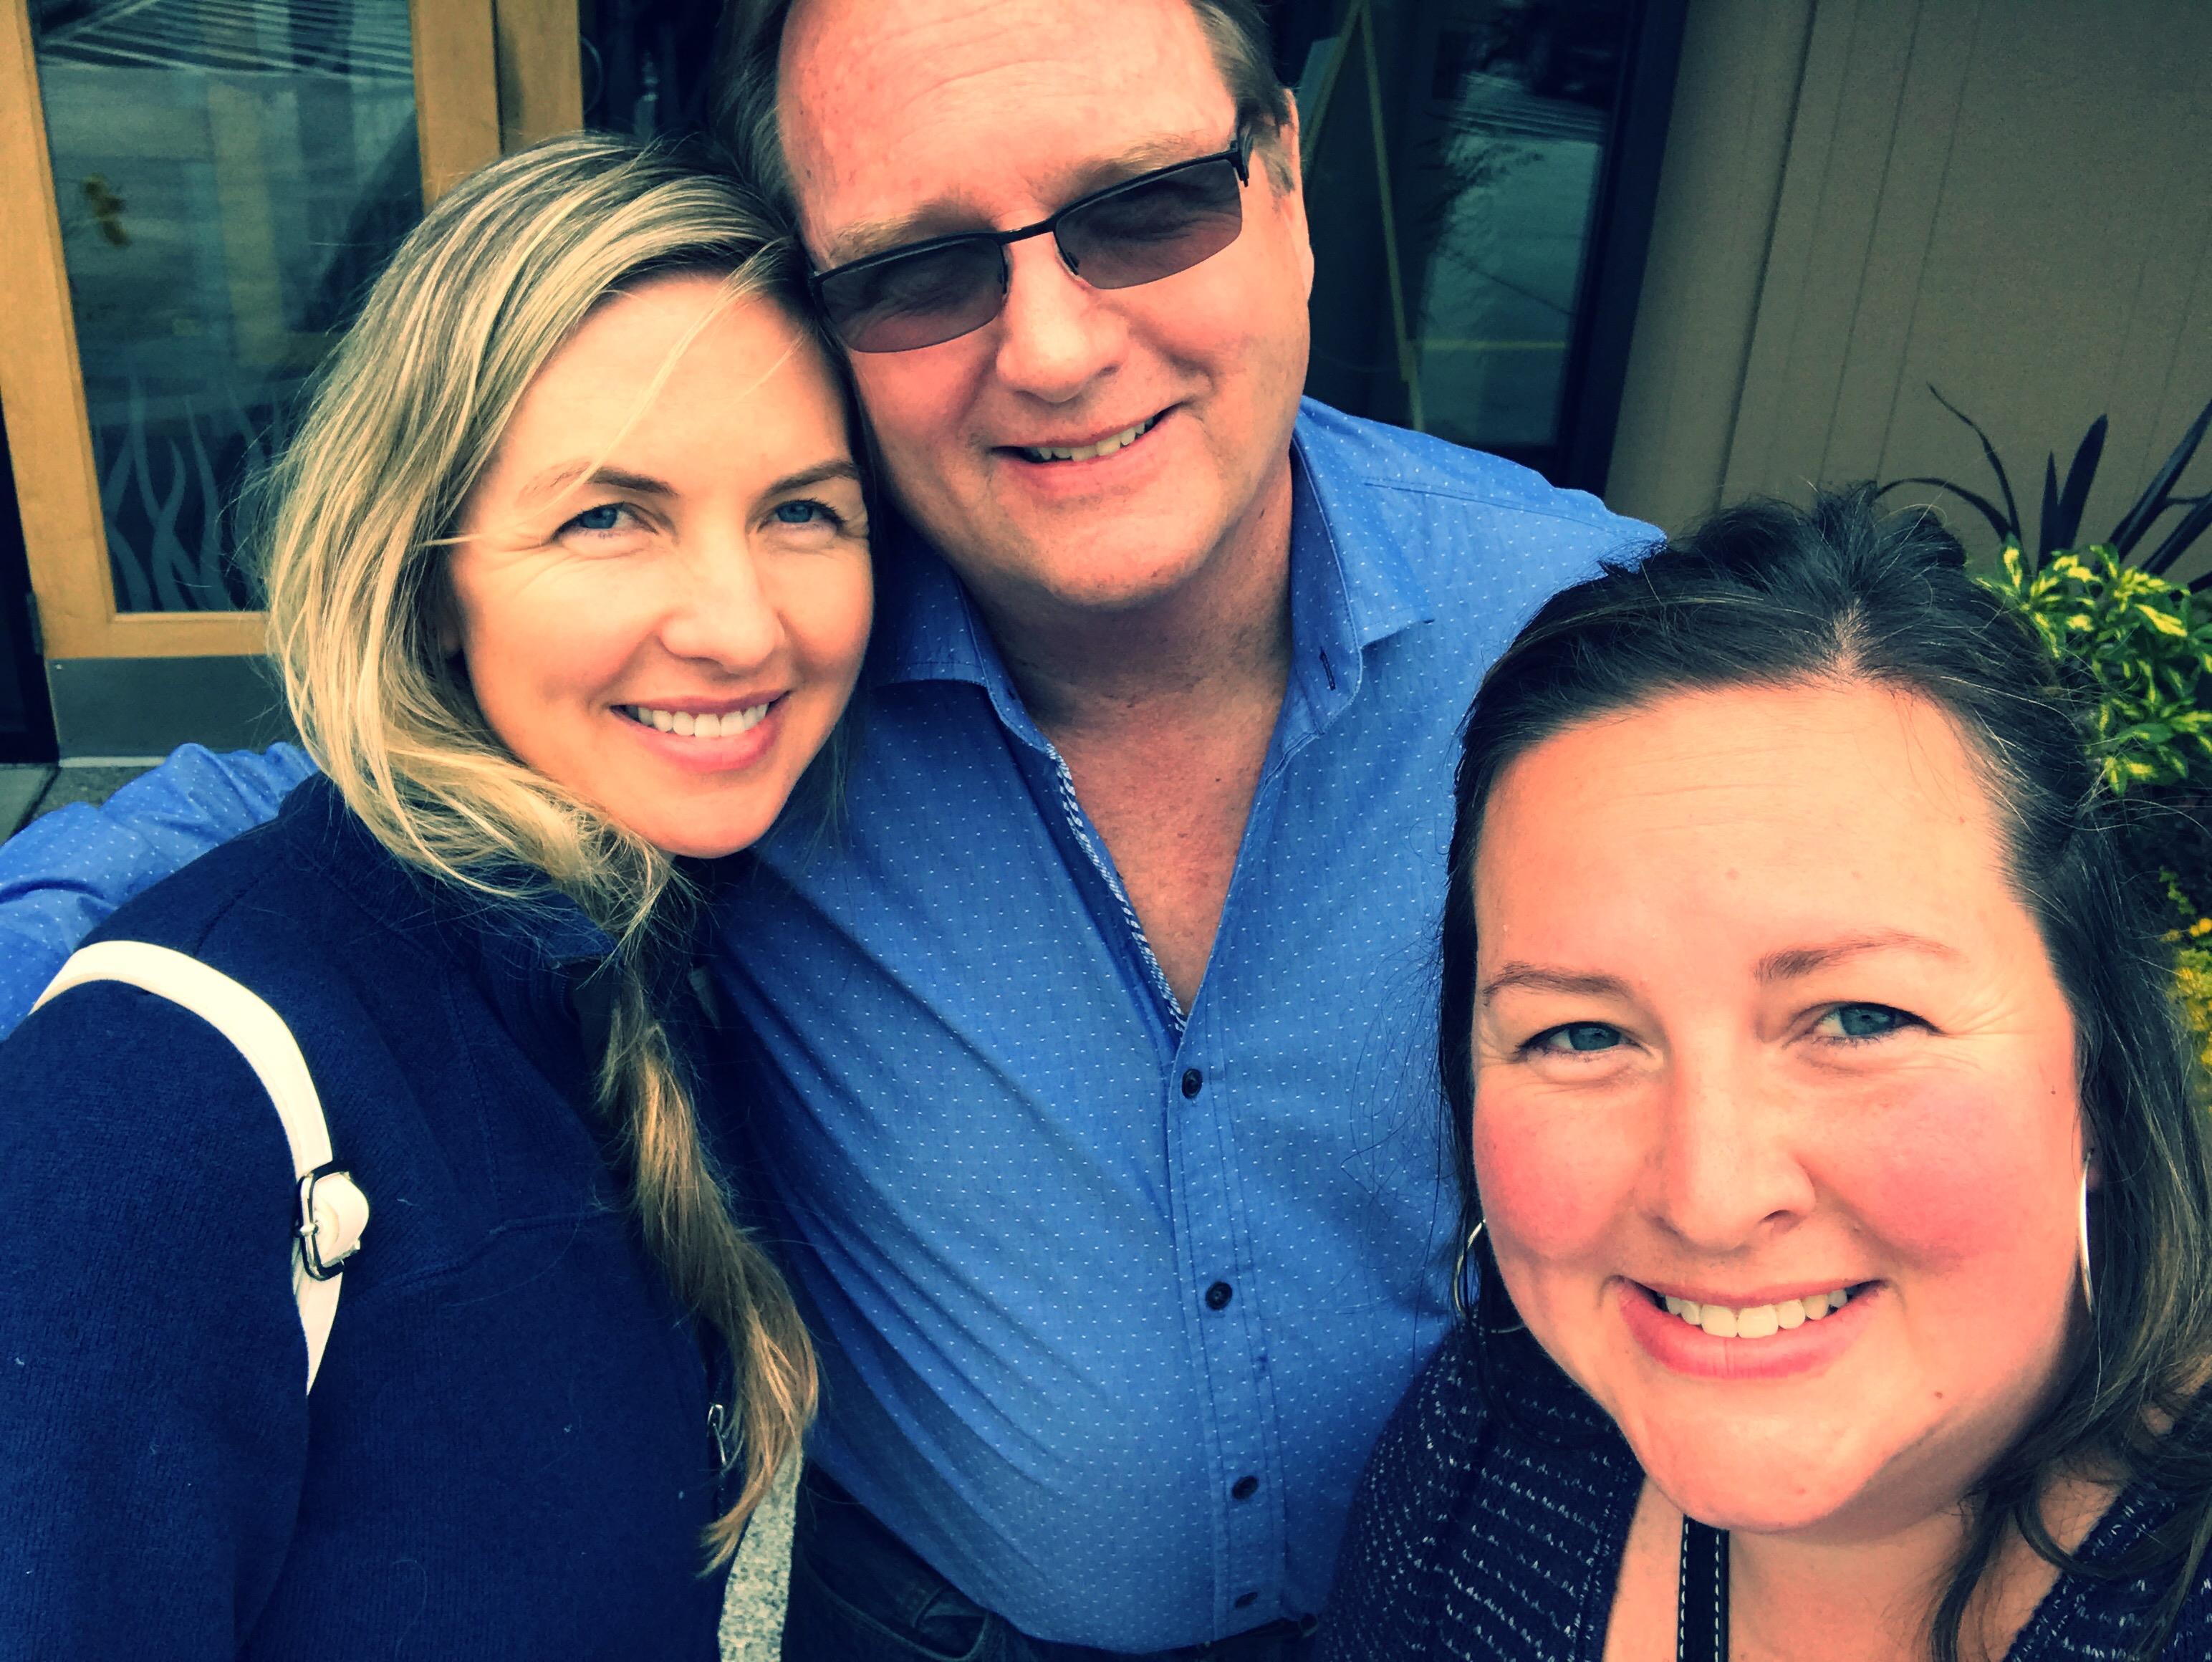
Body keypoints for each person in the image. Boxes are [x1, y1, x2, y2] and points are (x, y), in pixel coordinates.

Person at [0, 3, 1652, 1656]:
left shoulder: (1595, 646)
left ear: (1283, 177)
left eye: (1144, 205)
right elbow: (340, 791)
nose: (1057, 349)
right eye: (921, 265)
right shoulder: (776, 668)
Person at [0, 131, 874, 1656]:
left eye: (803, 508)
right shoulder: (163, 1098)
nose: (740, 625)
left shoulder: (665, 948)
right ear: (423, 571)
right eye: (608, 516)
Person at [1320, 488, 2212, 1661]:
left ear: (2094, 1068)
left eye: (1859, 1016)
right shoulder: (1481, 1458)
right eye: (1582, 1035)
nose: (1711, 1197)